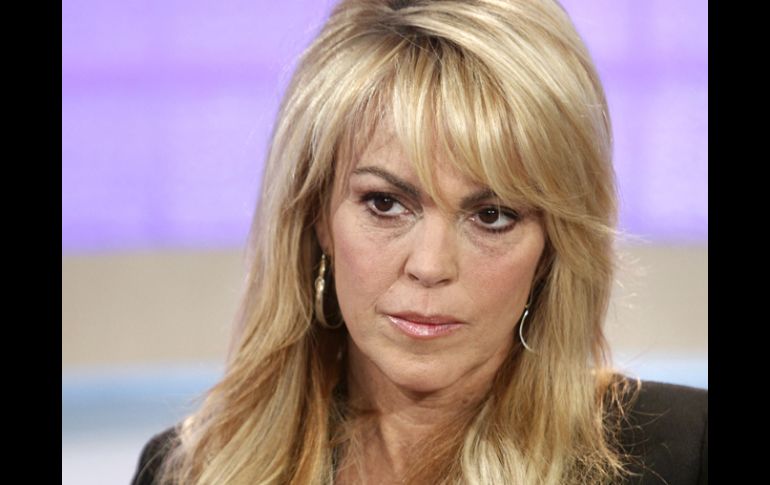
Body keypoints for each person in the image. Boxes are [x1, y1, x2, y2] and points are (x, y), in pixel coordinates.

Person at [131, 0, 707, 483]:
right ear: (316, 216)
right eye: (385, 204)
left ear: (553, 246)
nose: (430, 266)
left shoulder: (684, 455)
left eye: (492, 215)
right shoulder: (190, 469)